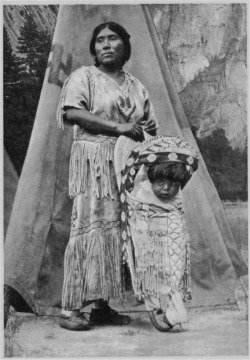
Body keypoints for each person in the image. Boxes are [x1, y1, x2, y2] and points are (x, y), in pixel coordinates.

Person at [57, 22, 158, 331]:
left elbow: (147, 124)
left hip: (125, 164)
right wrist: (118, 128)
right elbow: (72, 112)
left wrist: (147, 135)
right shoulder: (84, 77)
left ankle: (102, 306)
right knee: (88, 225)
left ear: (124, 45)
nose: (106, 45)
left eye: (113, 39)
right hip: (93, 162)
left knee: (114, 230)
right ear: (94, 49)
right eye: (100, 40)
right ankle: (71, 310)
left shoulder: (136, 86)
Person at [117, 135, 198, 331]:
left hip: (170, 236)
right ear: (151, 179)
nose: (166, 188)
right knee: (151, 270)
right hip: (150, 238)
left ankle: (173, 303)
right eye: (160, 182)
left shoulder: (176, 197)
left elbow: (177, 216)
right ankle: (154, 304)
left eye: (172, 185)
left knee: (173, 269)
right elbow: (135, 210)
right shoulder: (143, 191)